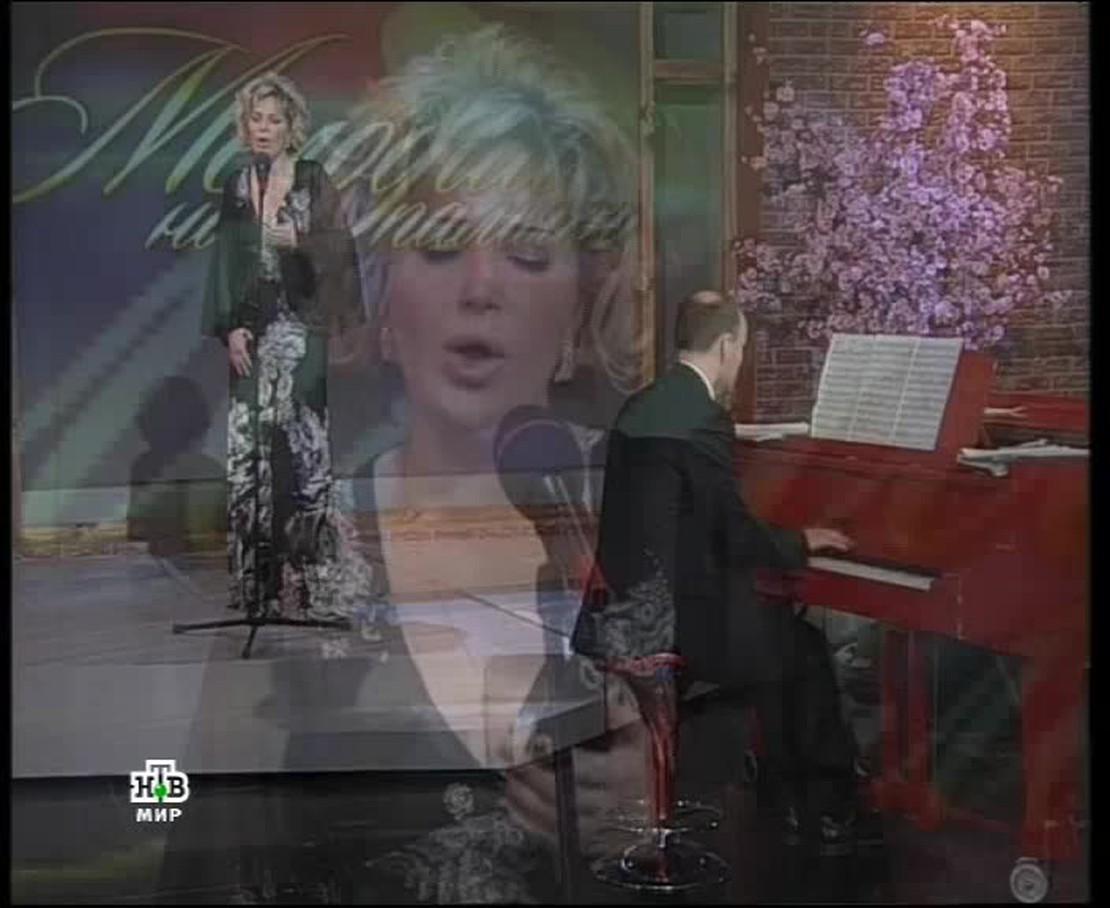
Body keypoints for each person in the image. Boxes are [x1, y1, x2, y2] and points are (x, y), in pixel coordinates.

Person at [570, 289, 863, 853]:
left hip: (619, 614)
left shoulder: (640, 406)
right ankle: (827, 809)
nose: (740, 360)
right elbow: (734, 532)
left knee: (776, 637)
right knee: (802, 651)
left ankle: (782, 796)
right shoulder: (704, 419)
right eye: (743, 348)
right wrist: (801, 539)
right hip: (670, 627)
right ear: (728, 345)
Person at [201, 72, 367, 619]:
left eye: (275, 119)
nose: (264, 128)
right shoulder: (237, 183)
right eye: (256, 118)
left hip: (301, 330)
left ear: (291, 126)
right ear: (244, 125)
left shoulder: (312, 178)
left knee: (307, 457)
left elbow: (341, 248)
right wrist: (230, 327)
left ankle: (317, 583)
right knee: (247, 460)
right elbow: (225, 261)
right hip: (253, 334)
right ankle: (257, 585)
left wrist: (299, 240)